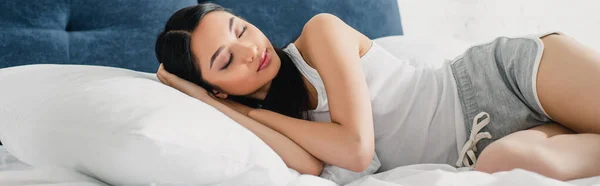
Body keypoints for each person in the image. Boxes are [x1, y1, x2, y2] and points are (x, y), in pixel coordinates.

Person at [155, 3, 600, 181]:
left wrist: (250, 114)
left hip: (504, 77)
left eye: (241, 29)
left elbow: (355, 147)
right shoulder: (283, 122)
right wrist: (219, 107)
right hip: (488, 146)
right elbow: (311, 164)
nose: (251, 49)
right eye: (226, 60)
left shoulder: (319, 34)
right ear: (219, 92)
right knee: (505, 164)